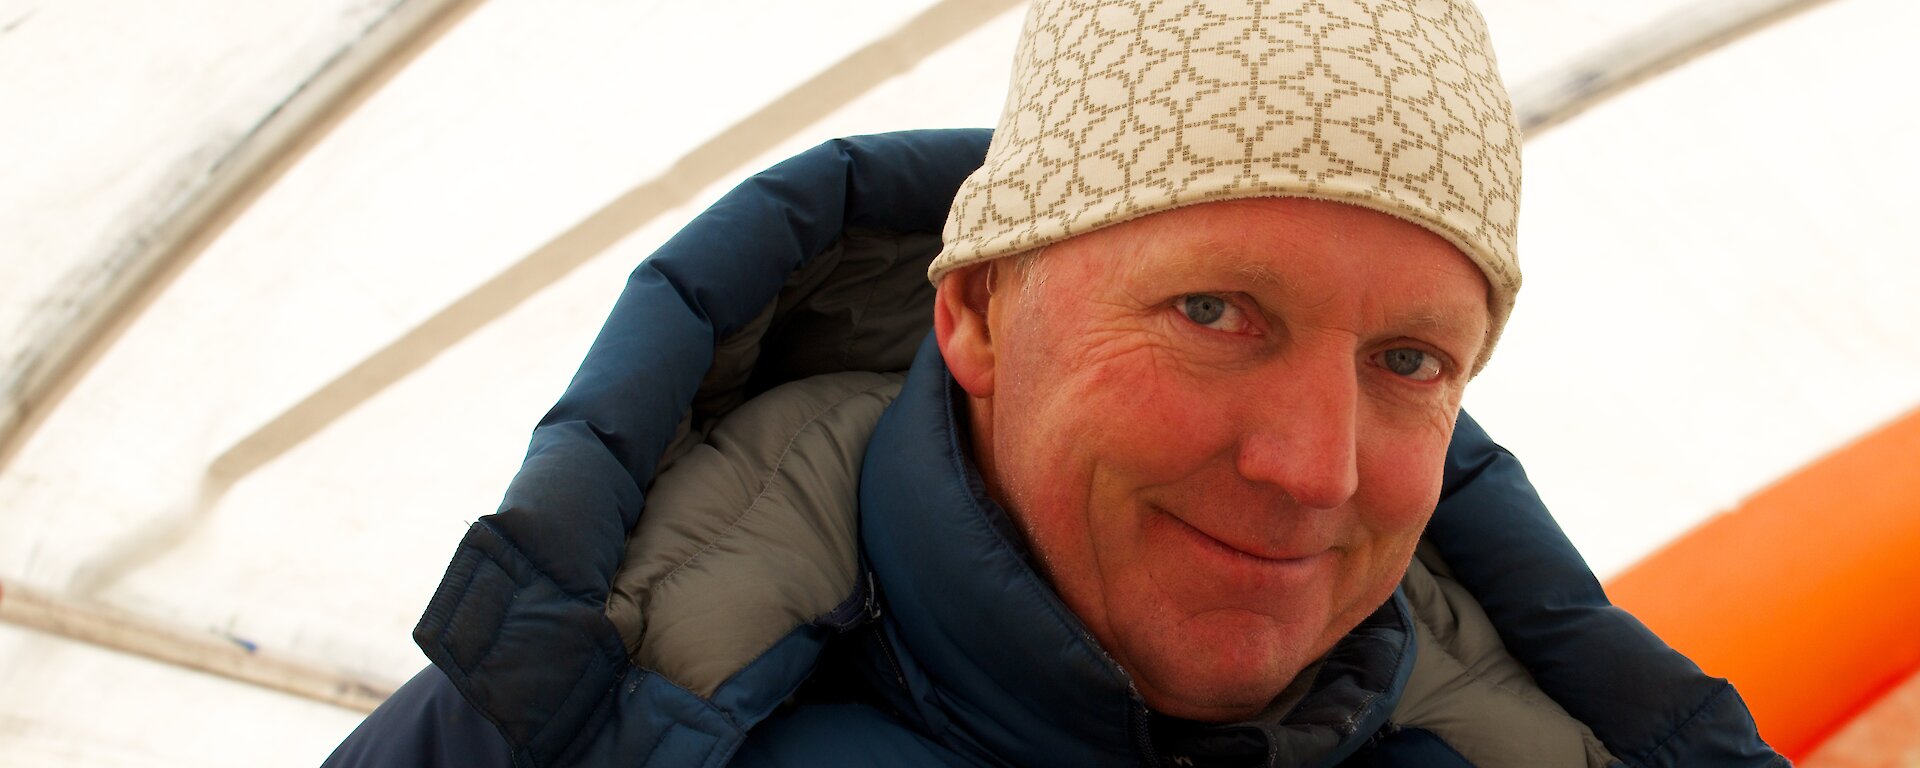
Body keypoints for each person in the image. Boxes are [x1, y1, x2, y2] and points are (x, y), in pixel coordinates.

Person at [325, 1, 1785, 765]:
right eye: (1216, 312)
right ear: (975, 310)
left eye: (1408, 362)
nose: (1315, 467)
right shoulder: (578, 711)